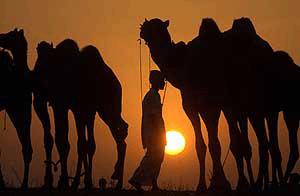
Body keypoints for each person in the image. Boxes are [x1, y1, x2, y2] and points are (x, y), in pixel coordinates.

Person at [129, 70, 166, 191]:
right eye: (162, 80)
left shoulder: (153, 95)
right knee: (152, 157)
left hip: (153, 131)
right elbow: (154, 116)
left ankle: (153, 184)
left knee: (157, 157)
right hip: (154, 132)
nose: (164, 83)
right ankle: (136, 179)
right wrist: (159, 133)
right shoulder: (152, 96)